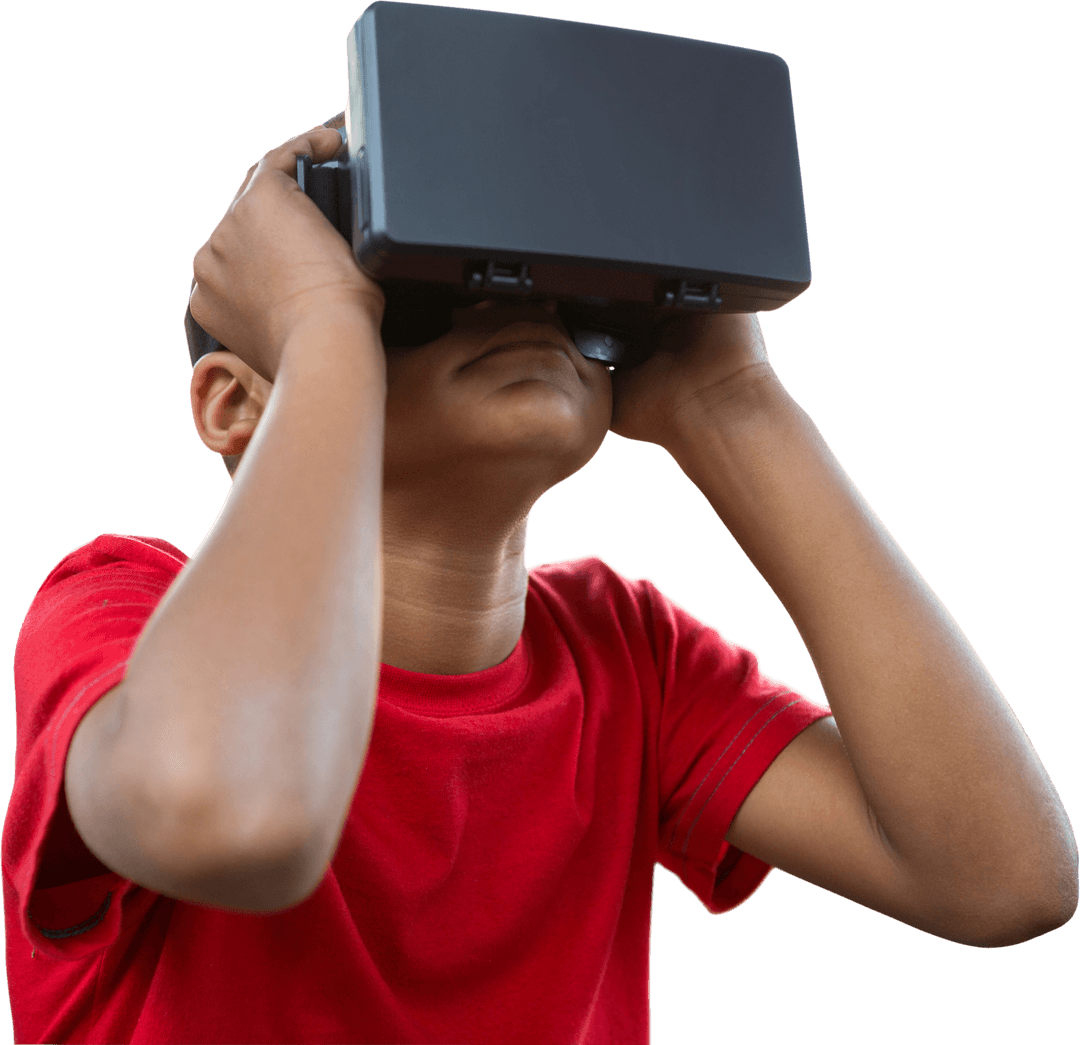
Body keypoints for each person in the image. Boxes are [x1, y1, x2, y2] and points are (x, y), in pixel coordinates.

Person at [4, 112, 1076, 1045]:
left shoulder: (624, 657)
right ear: (235, 404)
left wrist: (737, 405)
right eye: (413, 280)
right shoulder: (119, 611)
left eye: (544, 283)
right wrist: (329, 332)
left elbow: (1003, 878)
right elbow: (232, 817)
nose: (507, 304)